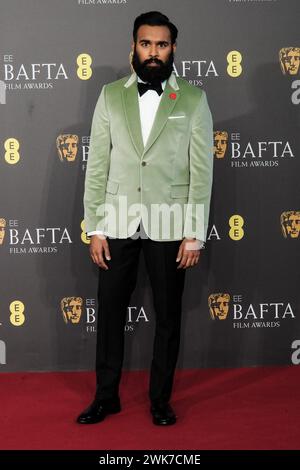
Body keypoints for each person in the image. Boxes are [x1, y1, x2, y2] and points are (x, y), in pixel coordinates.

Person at [77, 11, 214, 426]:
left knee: (168, 318)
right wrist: (94, 226)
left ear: (173, 49)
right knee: (111, 314)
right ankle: (106, 397)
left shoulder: (192, 99)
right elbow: (97, 165)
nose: (153, 52)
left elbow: (201, 171)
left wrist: (195, 233)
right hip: (116, 222)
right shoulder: (110, 95)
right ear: (133, 47)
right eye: (146, 44)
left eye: (162, 45)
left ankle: (160, 400)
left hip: (172, 225)